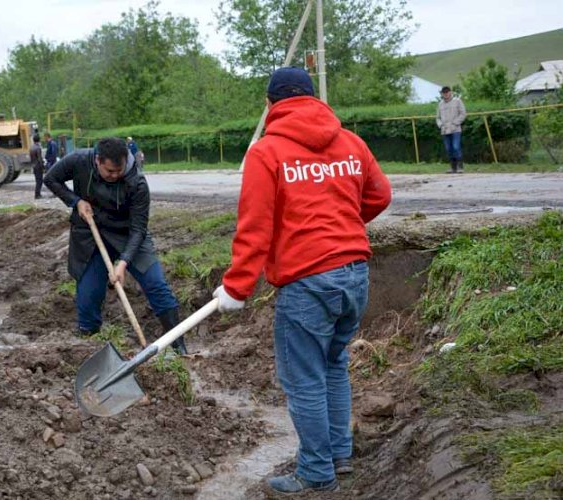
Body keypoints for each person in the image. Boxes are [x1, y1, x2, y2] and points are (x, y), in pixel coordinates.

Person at [212, 67, 391, 494]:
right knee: (333, 364)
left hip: (309, 283)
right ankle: (339, 455)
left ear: (270, 104)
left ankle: (315, 471)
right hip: (355, 274)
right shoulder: (350, 142)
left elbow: (254, 227)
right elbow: (380, 195)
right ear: (313, 100)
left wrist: (237, 288)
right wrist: (343, 228)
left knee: (304, 378)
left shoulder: (266, 152)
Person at [43, 137, 187, 355]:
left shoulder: (137, 182)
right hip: (91, 233)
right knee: (88, 294)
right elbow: (51, 179)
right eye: (109, 171)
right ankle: (90, 348)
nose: (114, 175)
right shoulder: (79, 160)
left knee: (157, 285)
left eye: (118, 171)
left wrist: (123, 263)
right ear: (97, 160)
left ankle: (179, 346)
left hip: (128, 234)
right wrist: (76, 201)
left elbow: (139, 229)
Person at [436, 86, 467, 174]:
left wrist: (455, 123)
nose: (446, 94)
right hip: (445, 130)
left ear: (450, 92)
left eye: (447, 92)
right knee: (448, 149)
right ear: (442, 94)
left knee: (456, 147)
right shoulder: (440, 104)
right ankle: (453, 167)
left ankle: (460, 166)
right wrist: (441, 125)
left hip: (455, 129)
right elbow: (437, 118)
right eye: (444, 92)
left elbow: (463, 114)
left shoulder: (457, 101)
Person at [30, 134, 45, 199]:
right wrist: (43, 166)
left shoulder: (31, 147)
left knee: (37, 180)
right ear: (39, 140)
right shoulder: (38, 148)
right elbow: (40, 158)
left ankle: (37, 194)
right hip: (38, 166)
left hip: (34, 165)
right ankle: (37, 194)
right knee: (40, 181)